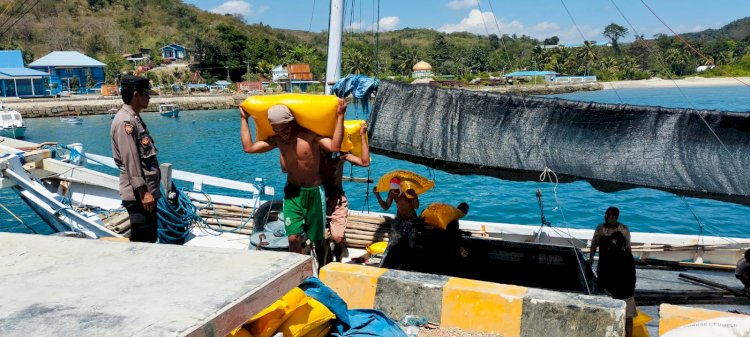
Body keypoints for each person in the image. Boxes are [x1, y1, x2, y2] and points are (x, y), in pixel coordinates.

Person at [240, 101, 346, 266]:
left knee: (318, 240)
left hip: (313, 193)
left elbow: (334, 147)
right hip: (292, 193)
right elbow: (249, 148)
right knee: (293, 238)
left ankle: (324, 268)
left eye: (285, 129)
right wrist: (244, 119)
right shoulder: (278, 141)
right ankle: (297, 272)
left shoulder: (310, 136)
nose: (282, 134)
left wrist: (340, 117)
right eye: (277, 130)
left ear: (292, 121)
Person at [110, 75, 161, 243]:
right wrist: (143, 191)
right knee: (143, 243)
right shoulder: (126, 122)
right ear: (136, 95)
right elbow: (131, 159)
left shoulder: (134, 119)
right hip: (139, 197)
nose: (149, 97)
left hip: (145, 196)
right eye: (146, 94)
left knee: (149, 239)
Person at [319, 122, 370, 262]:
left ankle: (339, 259)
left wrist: (363, 137)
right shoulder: (314, 153)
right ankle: (327, 261)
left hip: (337, 199)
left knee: (337, 238)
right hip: (319, 200)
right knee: (322, 239)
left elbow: (365, 162)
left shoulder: (342, 155)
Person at [589, 207, 636, 337]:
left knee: (626, 314)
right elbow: (594, 244)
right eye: (605, 214)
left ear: (614, 216)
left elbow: (628, 248)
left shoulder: (623, 229)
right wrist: (591, 258)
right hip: (606, 268)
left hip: (616, 275)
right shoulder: (600, 228)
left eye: (608, 215)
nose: (605, 217)